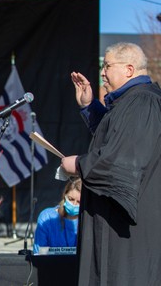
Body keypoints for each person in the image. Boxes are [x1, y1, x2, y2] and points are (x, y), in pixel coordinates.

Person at [61, 42, 161, 285]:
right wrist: (89, 105)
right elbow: (114, 136)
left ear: (129, 69)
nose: (102, 73)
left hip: (128, 233)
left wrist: (80, 165)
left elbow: (122, 159)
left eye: (107, 66)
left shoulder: (143, 103)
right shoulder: (131, 102)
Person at [33, 178, 81, 254]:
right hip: (50, 265)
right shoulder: (47, 217)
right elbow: (39, 251)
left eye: (79, 202)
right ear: (65, 195)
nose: (74, 204)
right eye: (71, 199)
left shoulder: (89, 221)